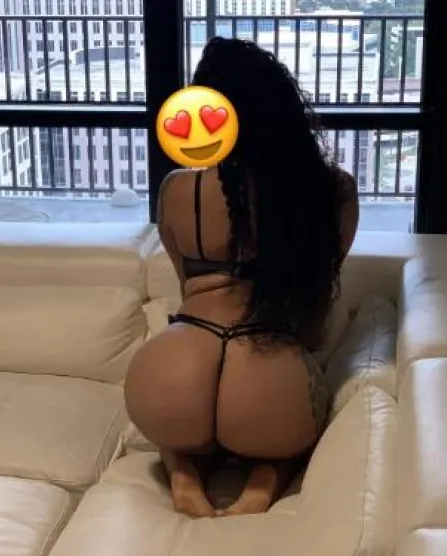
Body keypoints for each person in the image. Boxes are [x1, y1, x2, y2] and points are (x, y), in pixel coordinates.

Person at [124, 36, 359, 518]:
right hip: (265, 377)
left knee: (179, 432)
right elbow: (313, 309)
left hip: (170, 376)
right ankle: (263, 481)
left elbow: (187, 292)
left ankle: (184, 472)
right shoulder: (331, 192)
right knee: (289, 432)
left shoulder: (178, 189)